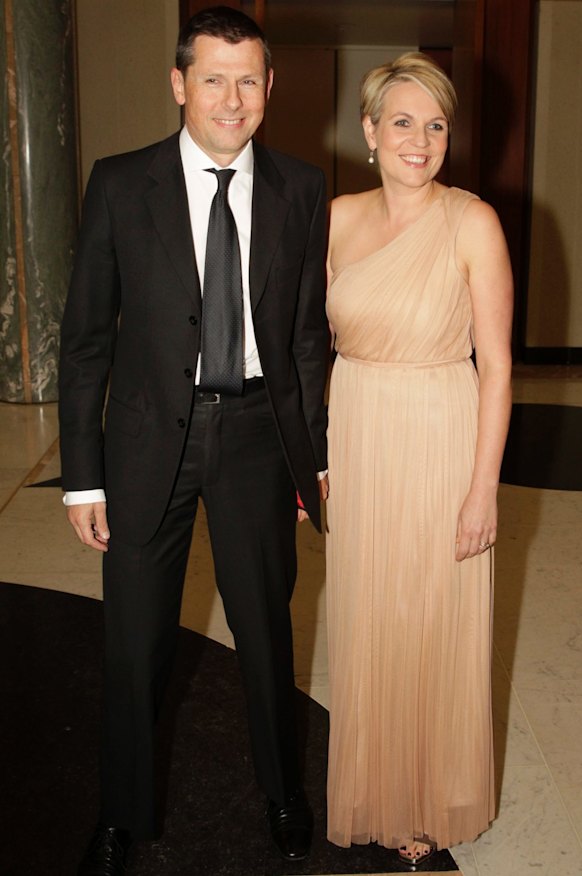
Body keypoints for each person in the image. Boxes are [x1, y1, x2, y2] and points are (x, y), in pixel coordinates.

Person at [59, 7, 329, 874]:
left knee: (266, 637)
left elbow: (305, 341)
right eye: (213, 77)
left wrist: (311, 457)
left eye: (248, 78)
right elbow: (85, 340)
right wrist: (80, 477)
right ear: (179, 84)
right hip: (144, 447)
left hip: (255, 436)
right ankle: (119, 814)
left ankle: (284, 793)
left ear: (269, 88)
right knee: (134, 645)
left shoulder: (300, 187)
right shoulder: (117, 182)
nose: (231, 97)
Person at [325, 53, 513, 867]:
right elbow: (304, 347)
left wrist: (482, 492)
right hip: (359, 430)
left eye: (436, 124)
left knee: (432, 617)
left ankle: (428, 798)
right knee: (371, 616)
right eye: (402, 121)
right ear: (369, 131)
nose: (420, 139)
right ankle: (372, 788)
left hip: (442, 428)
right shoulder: (332, 218)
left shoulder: (474, 222)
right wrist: (316, 462)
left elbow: (499, 365)